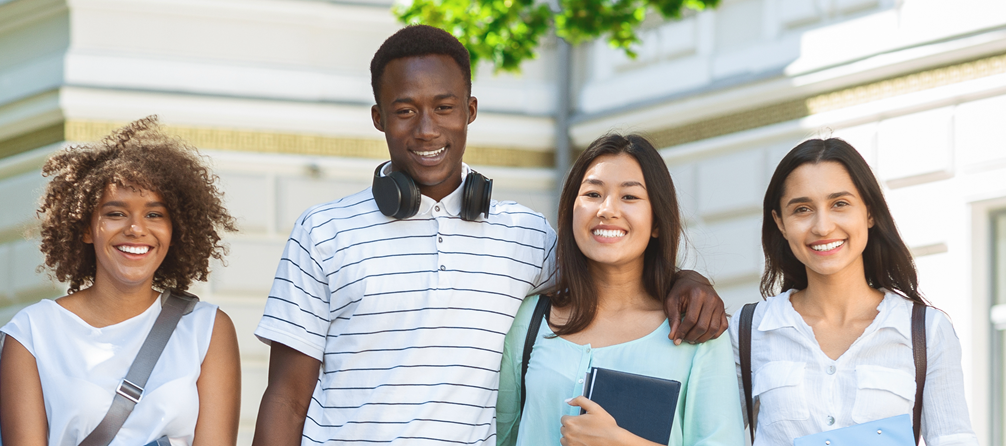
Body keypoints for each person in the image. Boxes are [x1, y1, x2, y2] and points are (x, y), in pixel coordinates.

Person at [251, 25, 730, 446]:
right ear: (378, 117)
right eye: (404, 111)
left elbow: (610, 265)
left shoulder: (525, 236)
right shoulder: (323, 232)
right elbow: (287, 400)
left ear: (470, 110)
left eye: (444, 107)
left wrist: (684, 280)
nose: (426, 129)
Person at [0, 116, 242, 446]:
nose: (136, 229)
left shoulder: (206, 330)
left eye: (154, 214)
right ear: (85, 227)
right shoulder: (32, 333)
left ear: (175, 230)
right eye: (116, 213)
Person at [496, 134, 744, 446]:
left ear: (656, 221)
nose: (607, 209)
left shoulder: (695, 328)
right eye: (593, 194)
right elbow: (498, 436)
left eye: (629, 197)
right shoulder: (529, 319)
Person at [731, 138, 977, 445]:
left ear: (869, 213)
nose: (822, 227)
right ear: (780, 223)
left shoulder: (927, 332)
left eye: (840, 204)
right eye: (802, 209)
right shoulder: (748, 331)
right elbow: (706, 436)